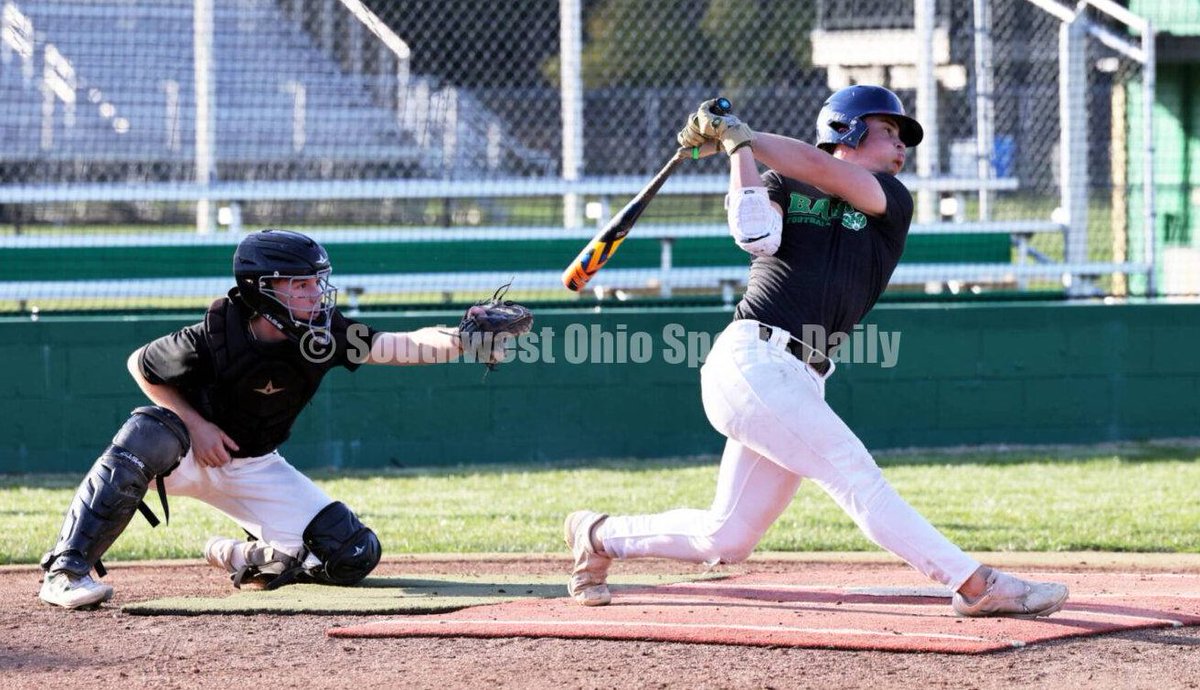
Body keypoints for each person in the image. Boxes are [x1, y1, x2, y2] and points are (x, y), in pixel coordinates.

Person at [564, 85, 1069, 619]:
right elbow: (755, 234)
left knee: (726, 538)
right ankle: (974, 584)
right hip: (752, 359)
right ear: (847, 130)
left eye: (903, 139)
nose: (902, 148)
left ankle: (597, 535)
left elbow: (821, 168)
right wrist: (739, 152)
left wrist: (742, 137)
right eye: (889, 132)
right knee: (853, 472)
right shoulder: (783, 178)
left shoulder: (890, 199)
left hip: (802, 376)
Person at [39, 228, 530, 609]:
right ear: (262, 290)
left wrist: (463, 337)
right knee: (149, 428)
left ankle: (247, 556)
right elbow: (139, 365)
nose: (315, 293)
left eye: (316, 281)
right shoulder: (212, 335)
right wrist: (198, 425)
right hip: (187, 452)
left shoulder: (323, 334)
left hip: (253, 463)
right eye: (300, 284)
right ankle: (66, 569)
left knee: (351, 553)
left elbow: (395, 346)